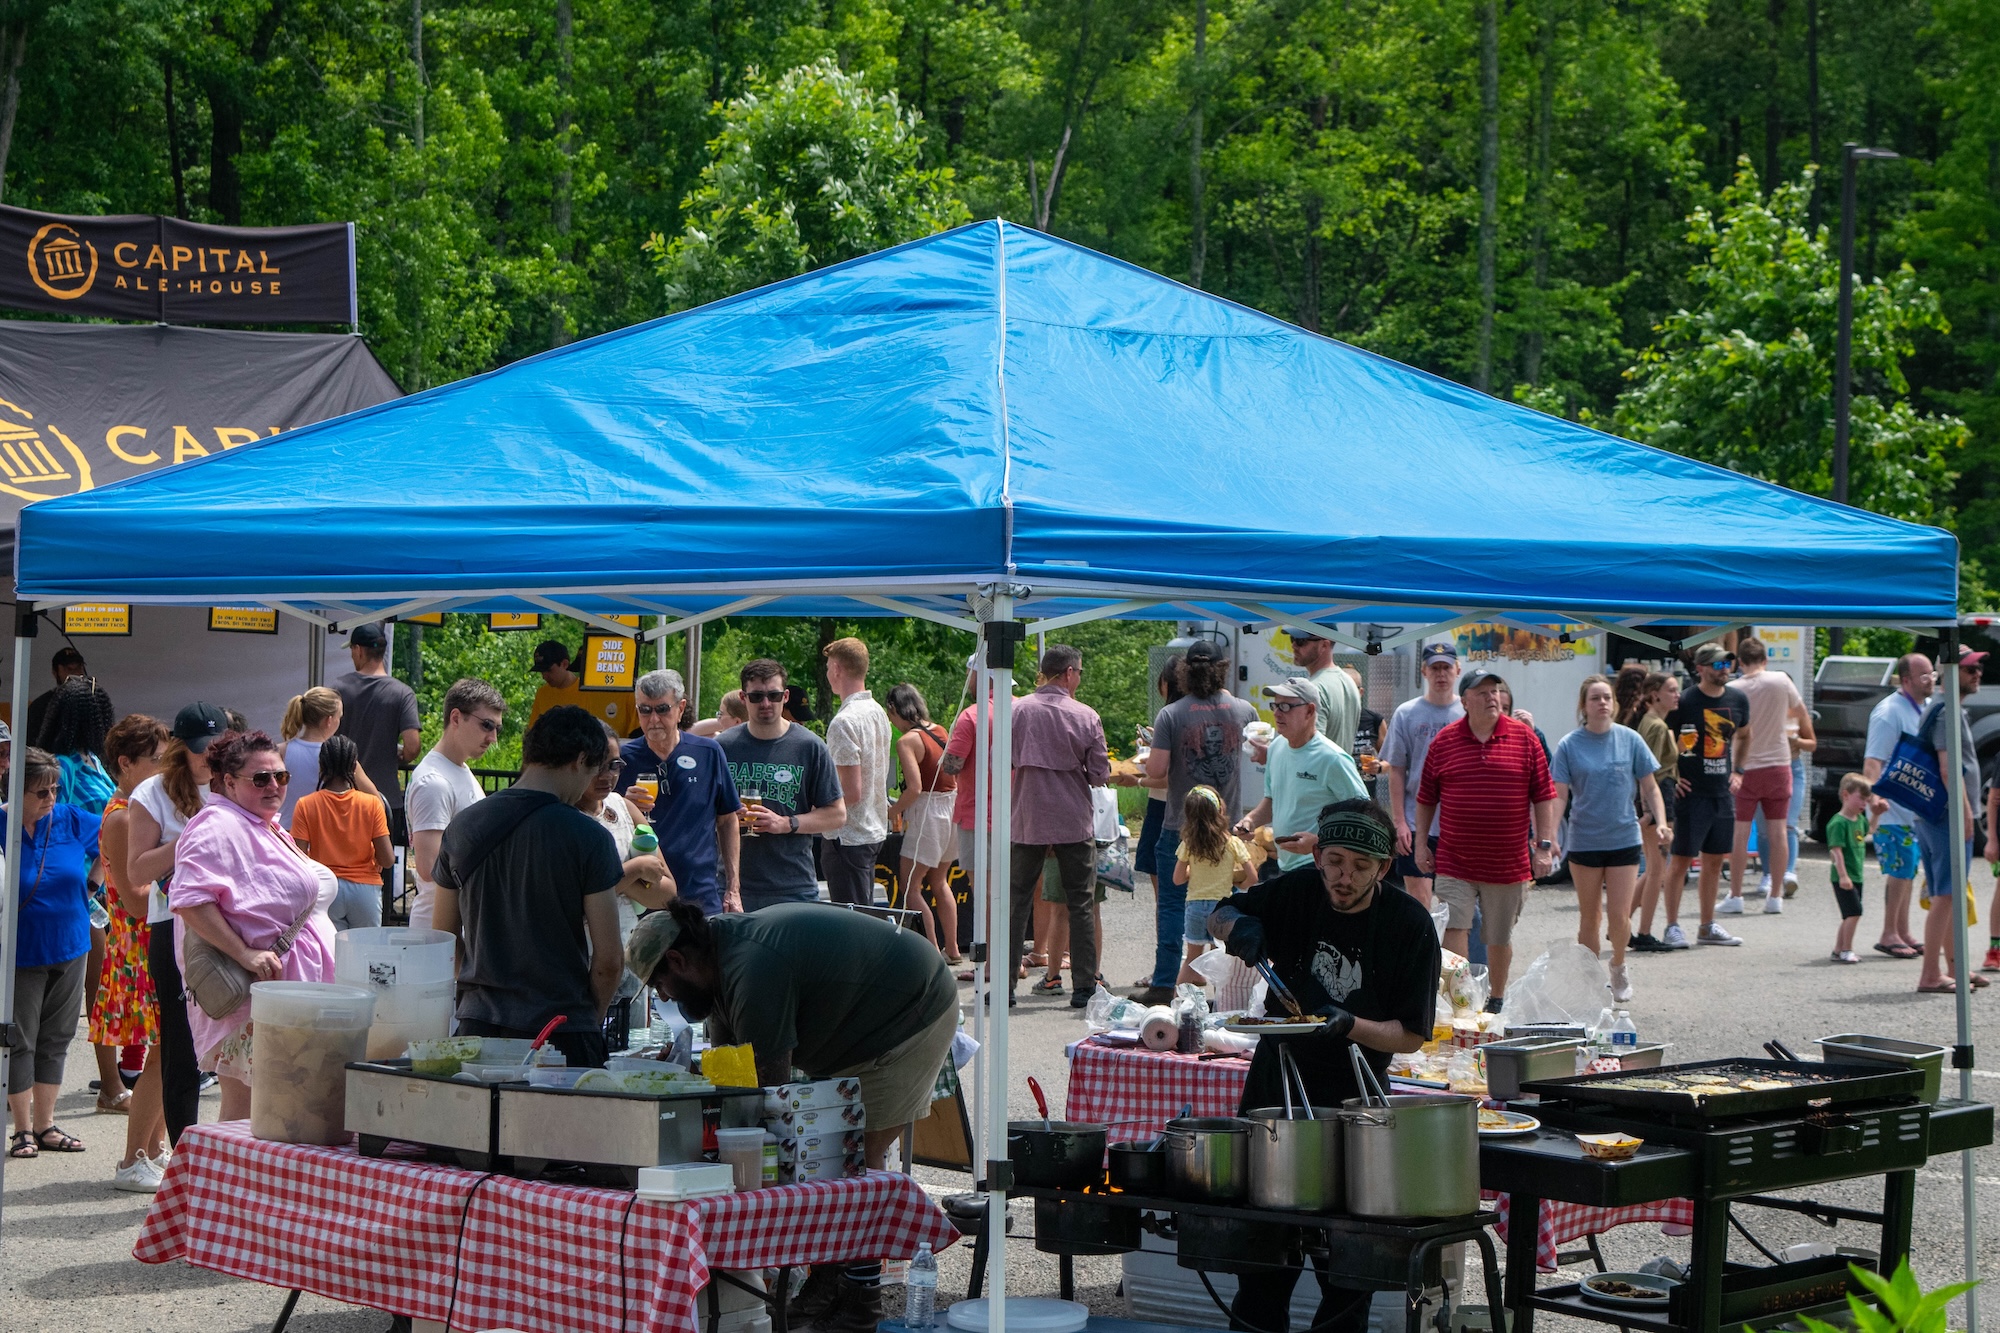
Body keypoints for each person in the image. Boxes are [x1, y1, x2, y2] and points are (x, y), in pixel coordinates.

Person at [629, 899, 958, 1333]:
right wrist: (685, 1078)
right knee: (825, 1161)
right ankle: (827, 1288)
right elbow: (731, 1075)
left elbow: (769, 1092)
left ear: (677, 960)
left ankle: (857, 1302)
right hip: (860, 1018)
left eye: (660, 984)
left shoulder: (752, 969)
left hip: (911, 1010)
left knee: (853, 1162)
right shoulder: (716, 960)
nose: (664, 997)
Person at [1206, 800, 1440, 1333]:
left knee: (1346, 1276)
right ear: (1317, 857)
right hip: (1275, 1092)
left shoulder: (1409, 925)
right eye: (1334, 861)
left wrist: (1350, 1024)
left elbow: (1410, 1036)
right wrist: (1237, 925)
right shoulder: (1295, 891)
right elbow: (1218, 911)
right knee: (1262, 1265)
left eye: (1360, 866)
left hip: (1355, 1102)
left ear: (1383, 867)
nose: (1344, 877)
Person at [434, 706, 658, 1068]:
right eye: (593, 771)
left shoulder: (462, 827)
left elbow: (443, 938)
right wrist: (588, 1019)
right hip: (562, 1031)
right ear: (580, 760)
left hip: (477, 1029)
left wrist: (479, 990)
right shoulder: (589, 837)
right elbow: (609, 961)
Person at [171, 730, 339, 1124]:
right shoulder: (215, 825)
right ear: (229, 782)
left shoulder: (259, 823)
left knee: (274, 1112)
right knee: (249, 1115)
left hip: (277, 996)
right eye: (260, 779)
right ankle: (224, 1169)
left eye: (281, 776)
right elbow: (190, 900)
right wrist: (245, 953)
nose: (273, 786)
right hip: (252, 998)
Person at [1415, 668, 1558, 1007]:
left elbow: (1544, 795)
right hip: (1455, 858)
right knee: (1455, 927)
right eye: (1482, 692)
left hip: (1507, 862)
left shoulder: (1525, 738)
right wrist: (1421, 844)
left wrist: (1544, 846)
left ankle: (1496, 998)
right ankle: (1461, 1000)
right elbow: (1426, 798)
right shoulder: (1444, 741)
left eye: (1494, 690)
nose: (1491, 697)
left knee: (1498, 935)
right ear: (1465, 701)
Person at [125, 702, 226, 1146]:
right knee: (181, 1052)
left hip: (232, 925)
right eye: (201, 747)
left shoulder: (237, 783)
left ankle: (229, 1153)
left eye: (218, 747)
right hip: (175, 928)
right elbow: (137, 870)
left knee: (236, 1051)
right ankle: (185, 1156)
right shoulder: (153, 792)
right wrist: (191, 837)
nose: (209, 756)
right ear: (181, 748)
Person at [1137, 640, 1255, 1003]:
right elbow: (1261, 754)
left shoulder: (1172, 714)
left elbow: (1157, 770)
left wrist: (1146, 764)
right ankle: (1229, 988)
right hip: (1226, 830)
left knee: (1172, 906)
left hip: (1180, 826)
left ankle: (1164, 985)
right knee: (1229, 906)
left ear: (1184, 672)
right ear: (1223, 670)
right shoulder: (1243, 710)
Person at [35, 675, 124, 1102]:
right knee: (96, 987)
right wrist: (89, 883)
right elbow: (61, 829)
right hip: (82, 891)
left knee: (101, 986)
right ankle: (110, 1084)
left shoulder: (94, 763)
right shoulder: (64, 768)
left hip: (105, 887)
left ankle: (110, 1081)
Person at [1551, 675, 1666, 1003]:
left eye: (1606, 698)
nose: (1602, 703)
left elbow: (1650, 785)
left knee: (1619, 915)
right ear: (1583, 706)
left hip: (1623, 838)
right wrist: (1551, 835)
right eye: (1595, 698)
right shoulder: (1570, 745)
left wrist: (1661, 821)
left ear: (1614, 703)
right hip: (1585, 840)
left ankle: (1618, 964)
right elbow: (1559, 795)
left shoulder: (1630, 739)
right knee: (1590, 916)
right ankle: (1591, 978)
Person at [8, 748, 100, 1160]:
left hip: (71, 944)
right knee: (20, 1039)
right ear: (17, 790)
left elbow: (112, 843)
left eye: (54, 789)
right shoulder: (2, 823)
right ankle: (22, 1129)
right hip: (20, 952)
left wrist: (93, 886)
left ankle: (45, 1124)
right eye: (40, 792)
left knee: (57, 1038)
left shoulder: (69, 818)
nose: (50, 798)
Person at [95, 714, 173, 1189]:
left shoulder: (136, 808)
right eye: (156, 760)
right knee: (163, 1057)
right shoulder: (123, 816)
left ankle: (154, 1148)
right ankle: (133, 1158)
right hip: (139, 945)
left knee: (168, 1053)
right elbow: (134, 899)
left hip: (145, 941)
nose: (164, 769)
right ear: (126, 763)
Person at [1010, 644, 1111, 1009]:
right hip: (1073, 819)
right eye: (1079, 673)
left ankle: (1005, 985)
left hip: (1028, 816)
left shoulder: (1017, 710)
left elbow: (1005, 759)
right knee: (1081, 902)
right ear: (1069, 673)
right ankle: (1083, 986)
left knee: (1017, 902)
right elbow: (1099, 774)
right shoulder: (1086, 715)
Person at [717, 660, 845, 911]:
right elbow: (701, 810)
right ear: (743, 698)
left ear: (785, 697)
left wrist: (785, 823)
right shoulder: (723, 747)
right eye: (757, 696)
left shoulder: (809, 746)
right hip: (732, 887)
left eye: (774, 696)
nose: (766, 703)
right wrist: (726, 817)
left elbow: (837, 814)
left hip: (793, 886)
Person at [616, 669, 741, 914]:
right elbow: (598, 816)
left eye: (662, 709)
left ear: (680, 708)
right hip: (643, 898)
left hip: (701, 895)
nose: (653, 719)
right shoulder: (620, 759)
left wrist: (733, 887)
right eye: (645, 710)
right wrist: (621, 805)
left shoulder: (708, 752)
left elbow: (727, 820)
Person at [580, 721, 676, 1008]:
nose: (607, 775)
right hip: (580, 958)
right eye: (597, 765)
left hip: (630, 955)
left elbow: (667, 894)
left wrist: (616, 885)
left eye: (614, 765)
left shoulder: (624, 807)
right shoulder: (563, 815)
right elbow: (576, 901)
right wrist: (635, 871)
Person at [1661, 643, 1751, 948]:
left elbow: (1745, 734)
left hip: (1721, 793)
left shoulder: (1738, 698)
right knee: (1681, 862)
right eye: (1717, 664)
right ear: (1700, 668)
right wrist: (1672, 776)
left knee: (1714, 862)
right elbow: (1663, 739)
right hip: (1691, 793)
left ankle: (1707, 925)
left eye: (1727, 664)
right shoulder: (1685, 701)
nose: (1724, 669)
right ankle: (1672, 926)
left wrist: (1739, 771)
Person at [1911, 648, 1987, 992]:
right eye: (1971, 668)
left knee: (1949, 893)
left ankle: (1956, 968)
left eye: (1979, 667)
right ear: (1952, 672)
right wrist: (1966, 812)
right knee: (1946, 894)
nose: (1978, 673)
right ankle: (1930, 974)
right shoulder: (1945, 712)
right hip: (1945, 816)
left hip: (1933, 814)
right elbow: (1947, 769)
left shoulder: (1943, 708)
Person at [1722, 636, 1814, 916]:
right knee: (1779, 831)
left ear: (1740, 662)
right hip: (1779, 764)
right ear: (1765, 660)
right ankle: (1775, 896)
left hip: (1745, 766)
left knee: (1740, 832)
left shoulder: (1733, 688)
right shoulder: (1781, 681)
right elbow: (1801, 714)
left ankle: (1736, 894)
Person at [1235, 678, 1367, 870]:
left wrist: (1319, 842)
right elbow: (1273, 800)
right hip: (1285, 865)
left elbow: (1364, 818)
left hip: (1319, 866)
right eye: (1275, 706)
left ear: (1310, 711)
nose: (1277, 713)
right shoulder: (1277, 748)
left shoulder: (1332, 758)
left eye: (1286, 706)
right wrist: (1250, 821)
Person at [406, 677, 505, 931]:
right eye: (487, 725)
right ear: (456, 718)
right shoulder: (434, 782)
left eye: (497, 728)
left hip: (457, 927)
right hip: (437, 935)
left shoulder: (458, 770)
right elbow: (429, 868)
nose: (493, 738)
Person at [1380, 642, 1464, 908]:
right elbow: (1396, 769)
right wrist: (1399, 822)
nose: (1441, 674)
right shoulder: (1407, 713)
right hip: (1417, 821)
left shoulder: (1467, 712)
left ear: (1458, 670)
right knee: (1419, 902)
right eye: (1434, 668)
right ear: (1424, 672)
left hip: (1457, 821)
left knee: (1458, 903)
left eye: (1446, 668)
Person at [1863, 653, 1933, 960]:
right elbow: (1873, 761)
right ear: (1906, 680)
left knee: (1909, 868)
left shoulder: (1925, 707)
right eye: (1924, 675)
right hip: (1890, 807)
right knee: (1900, 869)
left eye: (1932, 674)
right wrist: (1874, 798)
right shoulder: (1888, 712)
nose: (1931, 680)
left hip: (1913, 806)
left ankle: (1903, 931)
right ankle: (1888, 933)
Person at [885, 683, 960, 960]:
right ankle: (953, 948)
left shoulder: (907, 741)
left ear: (894, 709)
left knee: (910, 887)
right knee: (940, 881)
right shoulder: (940, 730)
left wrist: (893, 811)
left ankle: (931, 951)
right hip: (951, 808)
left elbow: (914, 788)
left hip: (928, 812)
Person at [290, 736, 395, 931]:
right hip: (365, 891)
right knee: (365, 948)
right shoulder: (372, 804)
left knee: (330, 948)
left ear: (321, 766)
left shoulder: (306, 805)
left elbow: (299, 859)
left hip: (326, 889)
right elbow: (387, 859)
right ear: (354, 767)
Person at [333, 622, 421, 842]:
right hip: (385, 800)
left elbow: (325, 738)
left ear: (359, 650)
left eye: (352, 650)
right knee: (384, 861)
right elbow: (412, 746)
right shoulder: (402, 693)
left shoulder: (338, 689)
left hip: (343, 797)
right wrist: (398, 756)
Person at [822, 637, 893, 907]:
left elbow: (850, 792)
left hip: (848, 835)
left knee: (852, 921)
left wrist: (814, 808)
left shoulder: (844, 721)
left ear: (837, 669)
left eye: (828, 667)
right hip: (872, 827)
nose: (828, 674)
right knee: (863, 913)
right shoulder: (878, 712)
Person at [1629, 671, 1684, 952]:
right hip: (1658, 796)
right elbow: (1647, 773)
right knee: (1656, 870)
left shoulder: (1652, 722)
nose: (1677, 695)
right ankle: (1643, 931)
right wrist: (1650, 810)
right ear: (1655, 695)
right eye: (1671, 690)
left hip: (1659, 793)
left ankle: (1621, 924)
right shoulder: (1657, 726)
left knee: (1652, 868)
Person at [1175, 786, 1253, 983]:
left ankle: (1178, 998)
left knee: (1191, 958)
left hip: (1195, 906)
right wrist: (1237, 882)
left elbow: (1177, 878)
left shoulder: (1189, 844)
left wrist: (1192, 873)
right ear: (1220, 810)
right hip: (1222, 908)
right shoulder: (1232, 843)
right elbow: (1252, 878)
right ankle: (1219, 1000)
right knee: (1219, 960)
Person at [280, 687, 378, 827]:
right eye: (339, 717)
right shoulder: (341, 756)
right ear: (329, 720)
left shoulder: (280, 752)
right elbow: (376, 801)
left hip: (286, 834)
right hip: (324, 835)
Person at [529, 638, 640, 736]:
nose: (544, 676)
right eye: (582, 671)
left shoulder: (625, 693)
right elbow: (533, 733)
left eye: (549, 670)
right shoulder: (543, 693)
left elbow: (638, 735)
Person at [1289, 629, 1361, 753]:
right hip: (1341, 764)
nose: (1294, 645)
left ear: (1324, 645)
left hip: (1318, 765)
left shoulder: (1314, 688)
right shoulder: (1349, 682)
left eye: (1301, 641)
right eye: (1292, 639)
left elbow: (1312, 748)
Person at [1827, 773, 1874, 964]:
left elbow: (1869, 831)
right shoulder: (1838, 823)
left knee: (1849, 915)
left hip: (1856, 875)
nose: (1864, 804)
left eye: (1867, 800)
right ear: (1846, 795)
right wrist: (1843, 876)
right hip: (1844, 877)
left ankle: (1838, 949)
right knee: (1854, 913)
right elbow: (1836, 851)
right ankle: (1847, 949)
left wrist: (1877, 814)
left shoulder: (1859, 820)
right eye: (1861, 798)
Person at [24, 644, 91, 746]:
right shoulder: (41, 706)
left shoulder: (93, 701)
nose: (76, 675)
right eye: (69, 669)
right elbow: (31, 744)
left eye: (79, 668)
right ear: (55, 672)